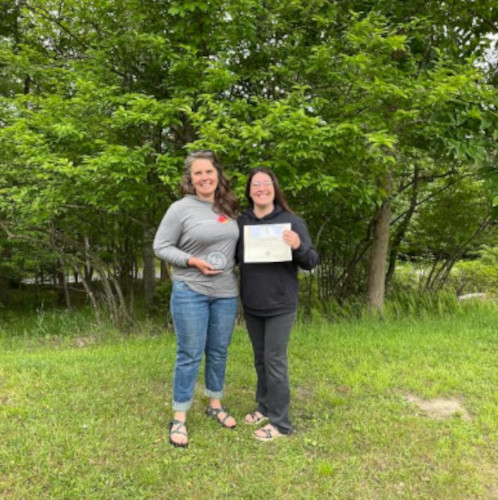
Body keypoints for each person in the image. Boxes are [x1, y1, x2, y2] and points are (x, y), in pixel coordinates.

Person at [153, 150, 240, 447]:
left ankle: (215, 404)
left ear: (218, 175)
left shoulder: (229, 206)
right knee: (189, 354)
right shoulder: (180, 209)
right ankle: (179, 417)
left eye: (209, 171)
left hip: (226, 292)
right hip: (191, 290)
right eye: (198, 173)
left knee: (218, 351)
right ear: (190, 179)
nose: (204, 177)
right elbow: (161, 246)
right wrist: (192, 261)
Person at [237, 167, 319, 441]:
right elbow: (230, 257)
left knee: (274, 361)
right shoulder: (241, 223)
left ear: (274, 188)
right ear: (249, 191)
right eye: (255, 184)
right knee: (260, 360)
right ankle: (264, 406)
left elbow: (310, 262)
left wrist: (298, 246)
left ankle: (281, 424)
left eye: (266, 183)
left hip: (281, 305)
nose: (261, 188)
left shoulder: (292, 221)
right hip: (252, 303)